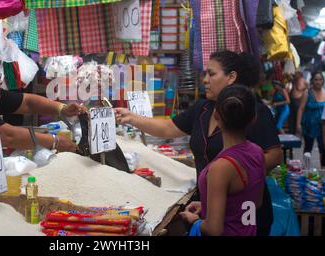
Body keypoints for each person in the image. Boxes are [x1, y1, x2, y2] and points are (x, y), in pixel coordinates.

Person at [115, 51, 282, 236]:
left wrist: (232, 178)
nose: (205, 80)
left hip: (245, 216)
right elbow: (169, 127)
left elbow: (274, 156)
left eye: (211, 74)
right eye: (204, 74)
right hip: (214, 208)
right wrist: (132, 118)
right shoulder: (203, 108)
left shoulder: (252, 110)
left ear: (231, 77)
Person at [180, 85, 265, 236]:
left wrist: (194, 220)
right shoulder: (258, 152)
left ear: (216, 116)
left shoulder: (221, 168)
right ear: (254, 119)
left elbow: (214, 230)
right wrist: (208, 205)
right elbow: (254, 202)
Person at [297, 71, 325, 167]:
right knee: (308, 148)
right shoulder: (307, 93)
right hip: (308, 125)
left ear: (323, 81)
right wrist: (298, 124)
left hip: (322, 126)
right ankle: (306, 169)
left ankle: (323, 169)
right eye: (316, 79)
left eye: (320, 79)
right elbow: (301, 109)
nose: (318, 82)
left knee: (323, 148)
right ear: (312, 81)